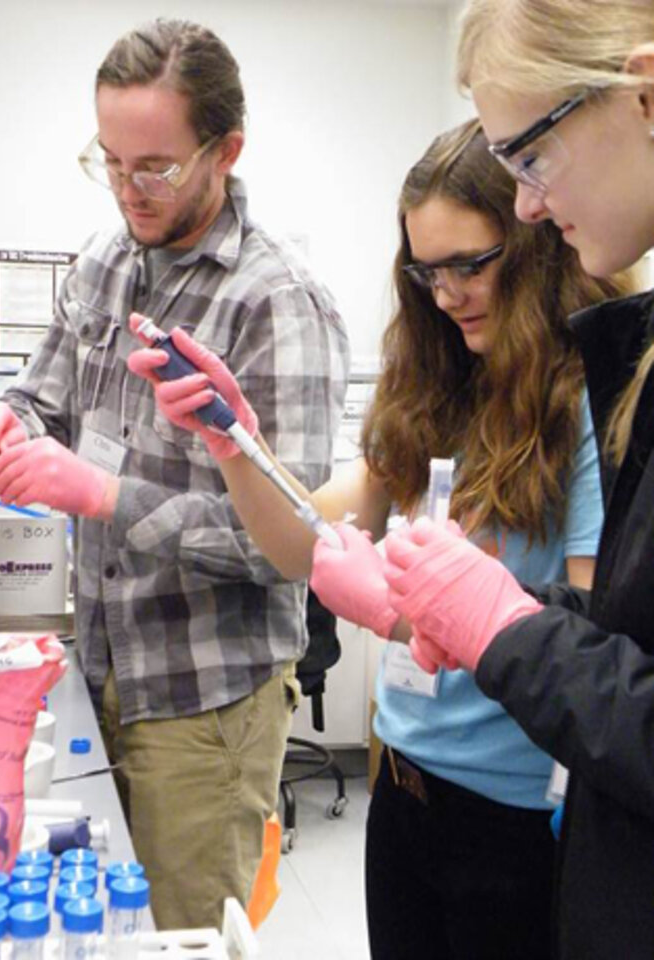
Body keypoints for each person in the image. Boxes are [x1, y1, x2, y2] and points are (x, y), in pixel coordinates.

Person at [127, 119, 632, 959]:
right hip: (403, 786)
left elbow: (591, 641)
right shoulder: (443, 387)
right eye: (425, 271)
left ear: (538, 243)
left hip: (513, 818)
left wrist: (410, 617)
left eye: (471, 264)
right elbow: (302, 543)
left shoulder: (584, 401)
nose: (446, 295)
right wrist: (235, 445)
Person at [0, 18, 349, 930]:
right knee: (102, 927)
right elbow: (42, 398)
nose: (130, 189)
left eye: (155, 167)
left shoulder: (275, 300)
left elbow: (287, 543)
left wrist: (102, 497)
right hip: (98, 667)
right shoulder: (106, 260)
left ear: (226, 148)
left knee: (185, 935)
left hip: (204, 703)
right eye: (111, 161)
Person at [372, 1, 654, 957]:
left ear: (643, 97)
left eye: (531, 155)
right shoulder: (633, 358)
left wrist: (499, 622)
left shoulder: (583, 389)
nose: (530, 203)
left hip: (510, 814)